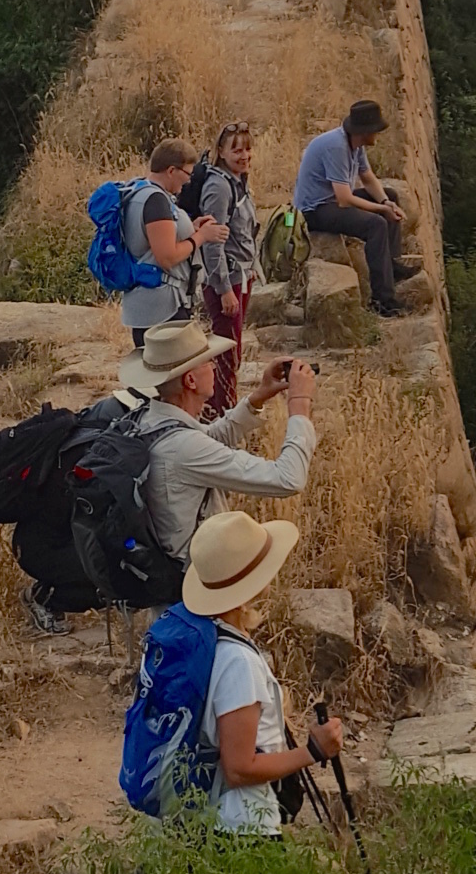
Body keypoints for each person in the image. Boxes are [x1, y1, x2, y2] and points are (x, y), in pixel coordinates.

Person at [123, 507, 344, 836]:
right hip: (242, 830)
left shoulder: (191, 636)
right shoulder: (238, 662)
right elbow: (239, 768)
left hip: (206, 822)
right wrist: (313, 751)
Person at [110, 316, 319, 561]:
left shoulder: (149, 419)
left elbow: (209, 438)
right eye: (208, 362)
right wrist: (299, 404)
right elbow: (287, 479)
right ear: (190, 380)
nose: (215, 367)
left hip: (166, 569)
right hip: (195, 580)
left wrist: (259, 396)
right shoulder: (184, 448)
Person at [293, 100, 423, 313]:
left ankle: (391, 266)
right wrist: (381, 210)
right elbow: (344, 198)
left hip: (332, 200)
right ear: (365, 132)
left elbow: (368, 178)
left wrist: (385, 202)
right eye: (376, 131)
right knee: (376, 225)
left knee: (390, 195)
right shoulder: (336, 147)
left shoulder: (355, 145)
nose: (377, 136)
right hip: (314, 209)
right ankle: (383, 300)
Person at [183, 121, 267, 408]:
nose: (244, 156)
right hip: (227, 278)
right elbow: (212, 241)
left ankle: (221, 408)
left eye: (247, 149)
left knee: (231, 349)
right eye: (236, 150)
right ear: (220, 151)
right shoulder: (219, 187)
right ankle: (221, 413)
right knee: (226, 353)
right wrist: (224, 289)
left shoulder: (237, 180)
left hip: (239, 275)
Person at [106, 138, 200, 341]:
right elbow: (167, 257)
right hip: (163, 308)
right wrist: (199, 238)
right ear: (171, 171)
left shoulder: (137, 191)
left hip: (144, 306)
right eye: (188, 174)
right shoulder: (156, 200)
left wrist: (192, 228)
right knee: (172, 370)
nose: (189, 180)